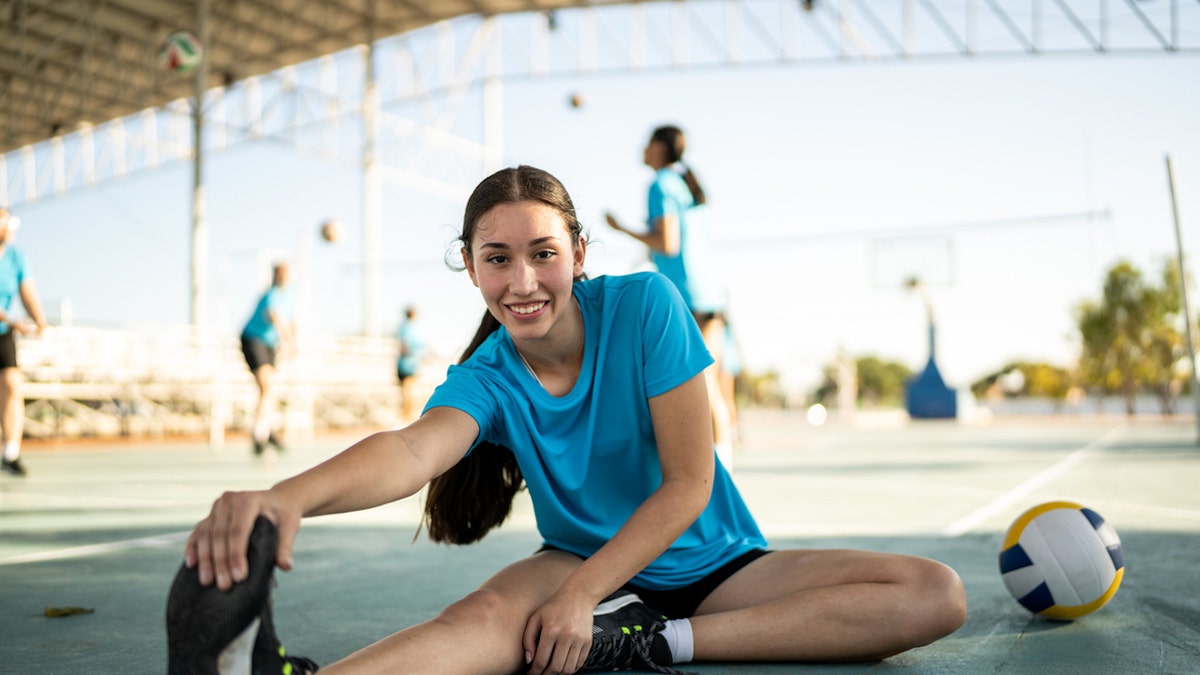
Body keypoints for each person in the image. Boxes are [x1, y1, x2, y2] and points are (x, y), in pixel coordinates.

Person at [167, 166, 966, 675]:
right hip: (577, 559)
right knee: (478, 619)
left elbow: (688, 484)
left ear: (579, 253)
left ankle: (650, 641)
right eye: (497, 257)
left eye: (543, 253)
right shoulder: (489, 374)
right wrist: (287, 497)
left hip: (715, 566)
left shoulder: (646, 305)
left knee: (934, 593)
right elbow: (413, 449)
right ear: (471, 265)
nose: (523, 280)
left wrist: (591, 600)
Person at [605, 125, 735, 469]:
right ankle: (723, 472)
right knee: (710, 386)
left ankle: (707, 476)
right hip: (710, 295)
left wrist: (621, 229)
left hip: (688, 297)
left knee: (688, 386)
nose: (643, 148)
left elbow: (668, 243)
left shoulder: (661, 184)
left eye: (648, 143)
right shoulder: (685, 187)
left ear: (661, 149)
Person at [0, 208, 47, 478]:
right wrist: (11, 318)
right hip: (7, 322)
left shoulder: (17, 257)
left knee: (11, 385)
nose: (8, 228)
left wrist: (38, 319)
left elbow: (27, 292)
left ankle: (11, 452)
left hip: (3, 332)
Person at [240, 262, 295, 456]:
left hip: (271, 345)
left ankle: (267, 428)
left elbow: (291, 321)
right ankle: (260, 434)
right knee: (266, 386)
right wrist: (288, 341)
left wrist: (292, 342)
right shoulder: (271, 296)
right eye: (280, 273)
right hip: (253, 339)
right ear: (275, 276)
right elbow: (276, 318)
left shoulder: (289, 297)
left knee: (269, 389)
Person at [394, 304, 426, 424]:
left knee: (412, 397)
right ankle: (402, 421)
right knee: (409, 397)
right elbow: (404, 346)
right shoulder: (406, 328)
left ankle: (407, 420)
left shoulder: (413, 328)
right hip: (406, 367)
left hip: (413, 366)